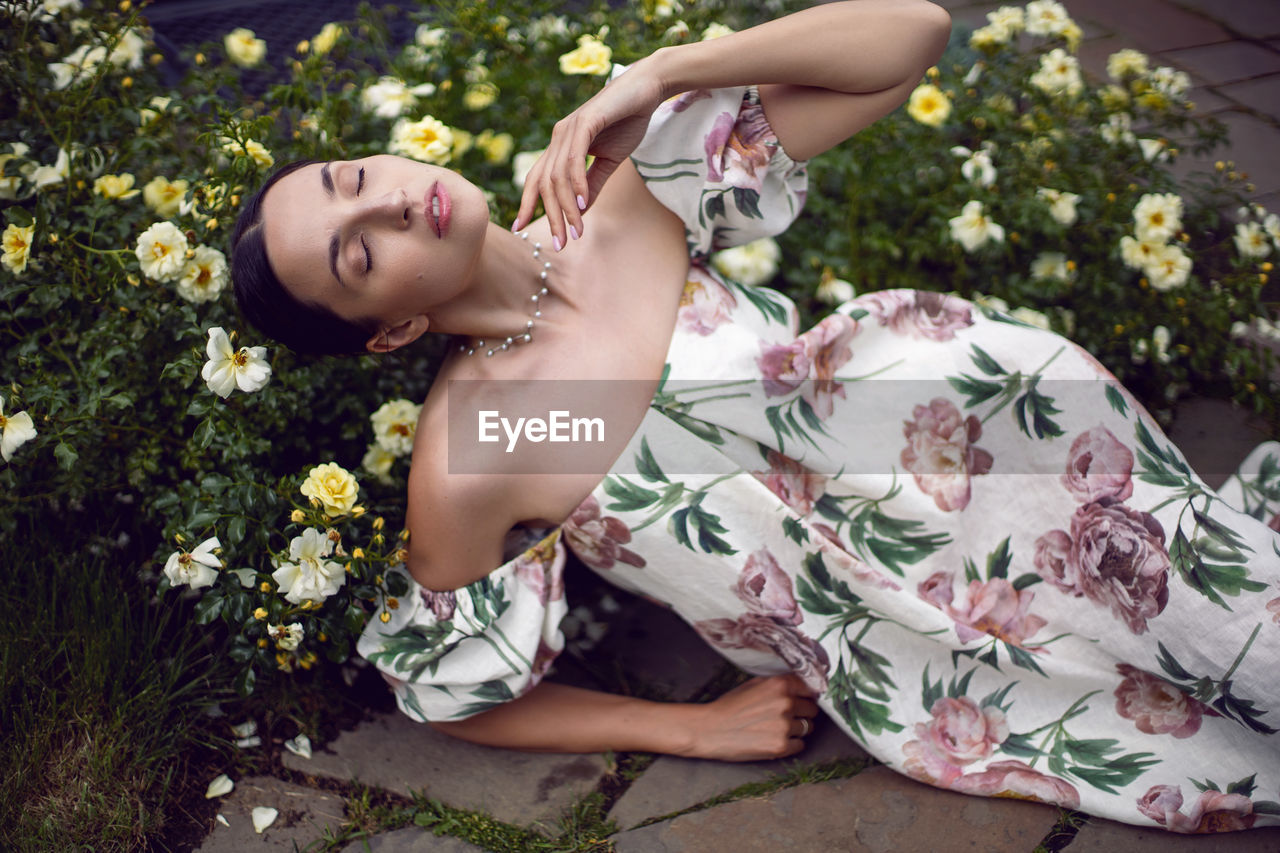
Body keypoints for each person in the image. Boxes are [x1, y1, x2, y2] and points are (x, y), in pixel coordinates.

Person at [232, 0, 1280, 833]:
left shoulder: (621, 197)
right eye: (360, 253)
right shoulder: (488, 435)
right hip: (942, 636)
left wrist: (661, 72)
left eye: (354, 179)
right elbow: (446, 688)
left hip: (1052, 479)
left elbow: (908, 35)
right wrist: (691, 732)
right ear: (390, 329)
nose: (389, 203)